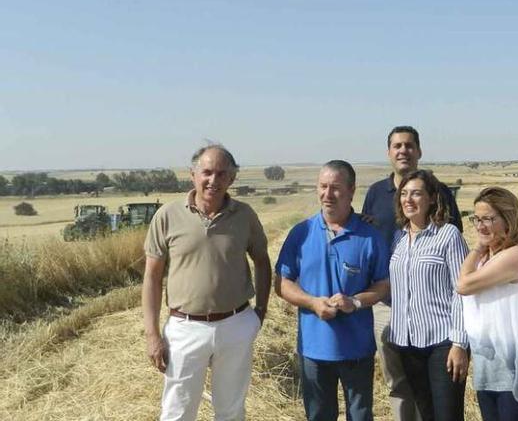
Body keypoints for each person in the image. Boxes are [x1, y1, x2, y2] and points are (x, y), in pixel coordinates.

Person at [142, 144, 271, 421]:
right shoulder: (167, 216)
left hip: (235, 325)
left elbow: (262, 261)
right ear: (193, 175)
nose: (214, 180)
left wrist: (259, 312)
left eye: (222, 174)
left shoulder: (245, 216)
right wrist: (152, 334)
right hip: (185, 328)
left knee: (231, 411)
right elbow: (152, 277)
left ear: (232, 179)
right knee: (177, 411)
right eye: (207, 172)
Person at [275, 160, 390, 421]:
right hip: (314, 349)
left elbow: (383, 285)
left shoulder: (369, 237)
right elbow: (281, 283)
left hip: (357, 350)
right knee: (318, 415)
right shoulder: (301, 233)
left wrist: (355, 302)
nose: (328, 194)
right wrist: (312, 303)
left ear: (351, 191)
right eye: (323, 186)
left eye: (336, 188)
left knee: (360, 416)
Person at [361, 125, 463, 421]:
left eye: (408, 145)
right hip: (394, 317)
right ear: (389, 152)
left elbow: (459, 284)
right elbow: (367, 236)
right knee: (404, 390)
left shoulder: (446, 226)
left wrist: (459, 342)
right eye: (397, 146)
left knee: (443, 408)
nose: (403, 150)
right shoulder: (381, 202)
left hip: (438, 329)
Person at [388, 169, 469, 421]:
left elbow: (463, 292)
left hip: (442, 343)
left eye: (416, 193)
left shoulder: (448, 235)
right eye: (404, 194)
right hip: (408, 344)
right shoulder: (398, 239)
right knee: (426, 414)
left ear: (432, 198)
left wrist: (459, 344)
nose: (408, 199)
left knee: (448, 416)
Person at [457, 187, 518, 421]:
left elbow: (463, 285)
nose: (480, 226)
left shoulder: (516, 255)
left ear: (508, 218)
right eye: (476, 218)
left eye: (488, 218)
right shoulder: (487, 258)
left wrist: (476, 247)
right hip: (488, 367)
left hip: (513, 370)